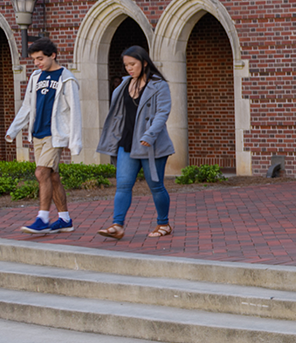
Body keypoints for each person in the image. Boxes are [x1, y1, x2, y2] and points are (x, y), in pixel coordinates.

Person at [96, 45, 174, 239]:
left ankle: (164, 224)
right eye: (126, 65)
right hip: (127, 143)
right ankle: (117, 225)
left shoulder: (159, 85)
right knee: (122, 185)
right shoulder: (122, 85)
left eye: (133, 64)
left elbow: (162, 113)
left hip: (151, 145)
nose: (129, 68)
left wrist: (149, 135)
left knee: (156, 186)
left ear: (144, 62)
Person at [6, 39, 82, 234]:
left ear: (53, 55)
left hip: (54, 135)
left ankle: (43, 218)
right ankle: (65, 219)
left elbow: (75, 112)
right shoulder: (35, 76)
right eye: (34, 59)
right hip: (37, 134)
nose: (37, 62)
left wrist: (74, 142)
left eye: (40, 58)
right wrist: (14, 130)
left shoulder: (67, 79)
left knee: (41, 173)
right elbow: (27, 106)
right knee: (52, 176)